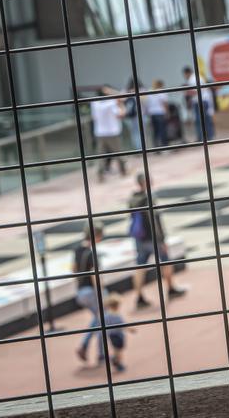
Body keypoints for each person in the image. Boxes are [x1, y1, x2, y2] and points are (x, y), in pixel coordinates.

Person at [128, 172, 186, 309]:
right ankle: (171, 289)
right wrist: (162, 240)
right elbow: (154, 220)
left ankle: (139, 297)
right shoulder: (148, 199)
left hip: (139, 238)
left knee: (140, 267)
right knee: (166, 261)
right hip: (153, 238)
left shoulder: (133, 199)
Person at [73, 224, 106, 364]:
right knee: (102, 319)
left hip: (81, 291)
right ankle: (100, 353)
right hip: (91, 291)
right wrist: (102, 292)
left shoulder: (78, 250)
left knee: (98, 318)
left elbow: (74, 270)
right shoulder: (92, 253)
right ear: (96, 236)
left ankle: (85, 346)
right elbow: (94, 276)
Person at [91, 86, 127, 182]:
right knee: (118, 152)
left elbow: (94, 117)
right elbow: (121, 112)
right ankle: (123, 170)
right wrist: (112, 92)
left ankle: (100, 174)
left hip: (100, 132)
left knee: (101, 155)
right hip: (112, 132)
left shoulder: (94, 103)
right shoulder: (111, 103)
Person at [182, 66, 215, 142]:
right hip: (202, 100)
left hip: (200, 101)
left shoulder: (192, 79)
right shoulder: (197, 77)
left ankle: (201, 138)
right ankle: (209, 137)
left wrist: (186, 92)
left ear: (187, 73)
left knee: (199, 121)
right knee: (205, 119)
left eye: (185, 74)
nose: (185, 76)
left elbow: (196, 91)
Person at [101, 295, 129, 373]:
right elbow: (123, 325)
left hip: (111, 335)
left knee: (115, 349)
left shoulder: (106, 315)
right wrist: (130, 329)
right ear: (117, 306)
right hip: (118, 335)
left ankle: (115, 358)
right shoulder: (117, 316)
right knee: (119, 350)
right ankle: (118, 363)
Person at [142, 80, 170, 149]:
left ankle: (156, 146)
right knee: (162, 129)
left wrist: (146, 111)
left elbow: (146, 103)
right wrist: (167, 112)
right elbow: (165, 103)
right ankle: (164, 145)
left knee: (155, 131)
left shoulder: (149, 91)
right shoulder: (161, 92)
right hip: (160, 112)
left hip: (152, 113)